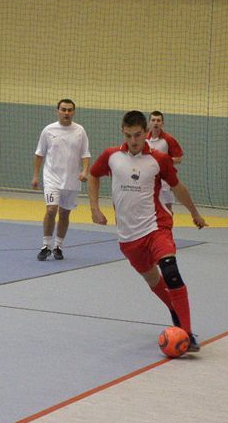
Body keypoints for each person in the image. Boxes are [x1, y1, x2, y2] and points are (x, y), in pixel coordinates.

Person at [88, 110, 207, 352]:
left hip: (156, 226)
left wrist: (195, 213)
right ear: (123, 132)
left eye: (138, 135)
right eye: (129, 135)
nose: (134, 140)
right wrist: (94, 208)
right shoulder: (112, 156)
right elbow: (93, 174)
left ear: (146, 132)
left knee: (171, 272)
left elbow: (178, 188)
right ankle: (173, 308)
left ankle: (186, 333)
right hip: (129, 237)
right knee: (153, 280)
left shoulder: (159, 159)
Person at [31, 99, 90, 260]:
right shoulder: (48, 130)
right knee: (51, 210)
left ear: (74, 112)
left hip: (71, 180)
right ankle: (46, 245)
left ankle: (58, 246)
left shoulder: (80, 131)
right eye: (63, 109)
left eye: (70, 110)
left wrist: (85, 171)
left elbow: (85, 154)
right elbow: (39, 154)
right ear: (57, 111)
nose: (66, 113)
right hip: (52, 178)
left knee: (64, 214)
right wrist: (35, 176)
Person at [146, 111, 184, 213]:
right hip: (148, 179)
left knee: (167, 208)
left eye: (158, 120)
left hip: (164, 181)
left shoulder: (168, 139)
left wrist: (163, 161)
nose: (156, 123)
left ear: (162, 123)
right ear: (149, 123)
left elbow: (179, 159)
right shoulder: (144, 139)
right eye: (153, 120)